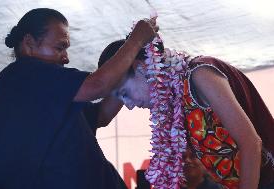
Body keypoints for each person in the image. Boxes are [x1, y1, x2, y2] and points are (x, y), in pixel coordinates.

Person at [0, 8, 158, 189]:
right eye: (59, 47)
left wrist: (126, 73)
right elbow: (98, 85)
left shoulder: (50, 92)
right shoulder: (21, 75)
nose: (66, 58)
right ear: (29, 43)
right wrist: (135, 40)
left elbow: (101, 115)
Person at [97, 38, 274, 189]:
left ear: (141, 67)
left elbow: (251, 143)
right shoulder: (172, 103)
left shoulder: (198, 75)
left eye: (124, 93)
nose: (128, 105)